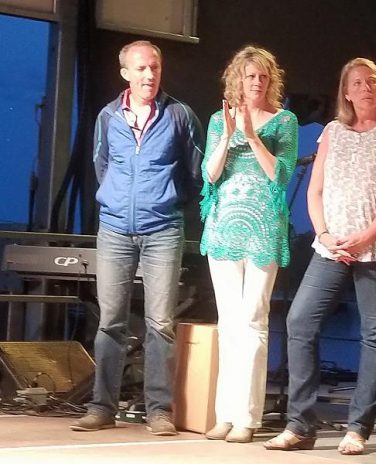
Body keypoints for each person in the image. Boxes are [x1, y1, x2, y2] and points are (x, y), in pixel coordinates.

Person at [264, 57, 376, 455]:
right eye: (358, 82)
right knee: (299, 321)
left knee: (375, 335)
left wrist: (365, 237)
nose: (367, 87)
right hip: (331, 249)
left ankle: (358, 427)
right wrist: (326, 234)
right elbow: (314, 191)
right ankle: (300, 424)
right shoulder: (333, 131)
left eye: (374, 80)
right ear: (346, 92)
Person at [70, 40, 204, 435]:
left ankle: (158, 410)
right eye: (142, 68)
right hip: (114, 228)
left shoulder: (179, 115)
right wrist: (116, 199)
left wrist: (168, 199)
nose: (150, 75)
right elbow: (102, 164)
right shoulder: (108, 116)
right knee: (109, 320)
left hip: (163, 228)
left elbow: (195, 171)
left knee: (160, 321)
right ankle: (102, 407)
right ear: (126, 73)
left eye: (155, 68)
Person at [200, 46, 298, 444]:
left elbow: (282, 175)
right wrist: (227, 136)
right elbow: (209, 173)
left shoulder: (284, 121)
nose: (256, 82)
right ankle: (225, 413)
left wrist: (253, 137)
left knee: (254, 320)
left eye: (262, 76)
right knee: (228, 324)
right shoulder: (216, 120)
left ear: (270, 81)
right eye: (249, 76)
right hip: (224, 227)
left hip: (262, 230)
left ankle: (247, 418)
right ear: (236, 80)